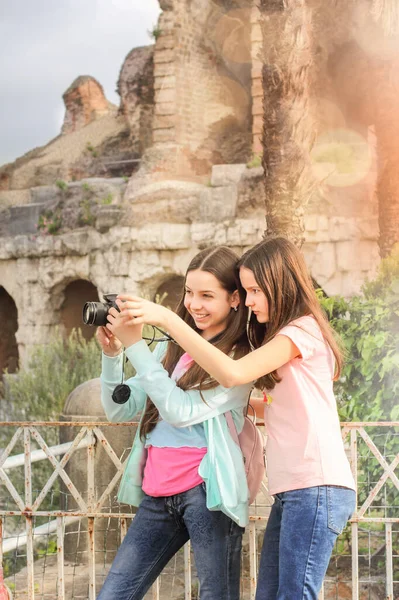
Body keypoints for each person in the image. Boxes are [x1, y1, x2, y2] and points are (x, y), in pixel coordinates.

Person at [117, 236, 356, 600]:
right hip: (294, 489)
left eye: (256, 290)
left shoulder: (300, 331)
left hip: (317, 486)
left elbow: (231, 373)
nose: (249, 301)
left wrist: (167, 319)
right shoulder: (283, 337)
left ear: (282, 284)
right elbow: (284, 405)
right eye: (245, 291)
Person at [96, 246, 253, 600]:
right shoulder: (169, 349)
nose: (194, 304)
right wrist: (114, 354)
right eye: (189, 293)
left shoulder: (237, 359)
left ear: (234, 299)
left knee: (216, 595)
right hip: (158, 491)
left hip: (207, 492)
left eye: (207, 295)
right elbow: (119, 410)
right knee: (113, 595)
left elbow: (180, 410)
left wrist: (137, 345)